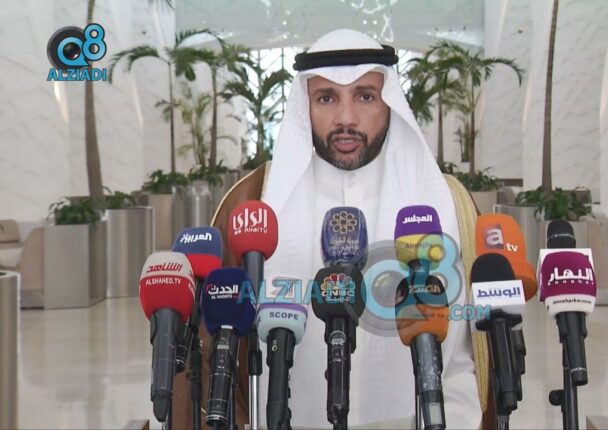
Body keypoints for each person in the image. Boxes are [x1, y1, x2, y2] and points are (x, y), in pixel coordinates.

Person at [173, 29, 490, 429]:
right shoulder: (254, 201)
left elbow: (465, 358)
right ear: (305, 105)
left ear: (388, 101)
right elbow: (213, 352)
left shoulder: (445, 201)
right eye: (326, 98)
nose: (346, 119)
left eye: (365, 96)